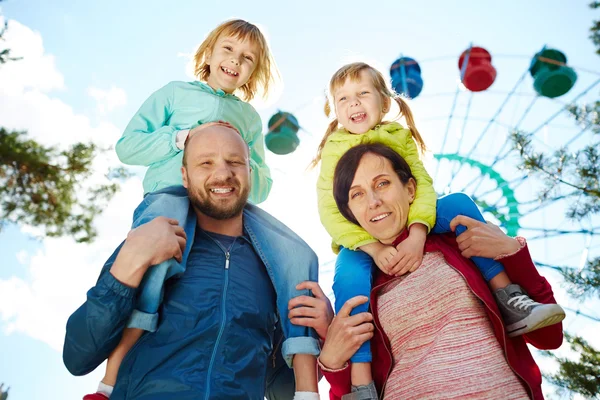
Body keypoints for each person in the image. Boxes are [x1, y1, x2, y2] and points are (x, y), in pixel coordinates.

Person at [312, 62, 565, 390]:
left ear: (409, 188)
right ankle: (364, 386)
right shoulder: (334, 151)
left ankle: (509, 296)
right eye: (356, 193)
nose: (372, 201)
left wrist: (511, 252)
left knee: (458, 202)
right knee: (348, 279)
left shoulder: (460, 242)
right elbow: (328, 210)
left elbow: (549, 336)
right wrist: (332, 359)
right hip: (360, 248)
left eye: (383, 183)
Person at [82, 19, 277, 400]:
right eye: (228, 50)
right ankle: (110, 378)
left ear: (255, 70)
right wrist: (182, 138)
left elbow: (264, 187)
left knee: (288, 257)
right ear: (209, 51)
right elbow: (128, 147)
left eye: (247, 58)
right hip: (170, 195)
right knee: (151, 270)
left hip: (221, 215)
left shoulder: (249, 120)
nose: (235, 61)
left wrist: (236, 152)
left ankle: (294, 373)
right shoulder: (175, 94)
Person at [64, 123, 321, 399]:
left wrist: (325, 340)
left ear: (250, 172)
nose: (222, 173)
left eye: (235, 161)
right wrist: (131, 257)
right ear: (184, 176)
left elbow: (281, 388)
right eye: (206, 163)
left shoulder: (278, 268)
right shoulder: (149, 239)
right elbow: (78, 356)